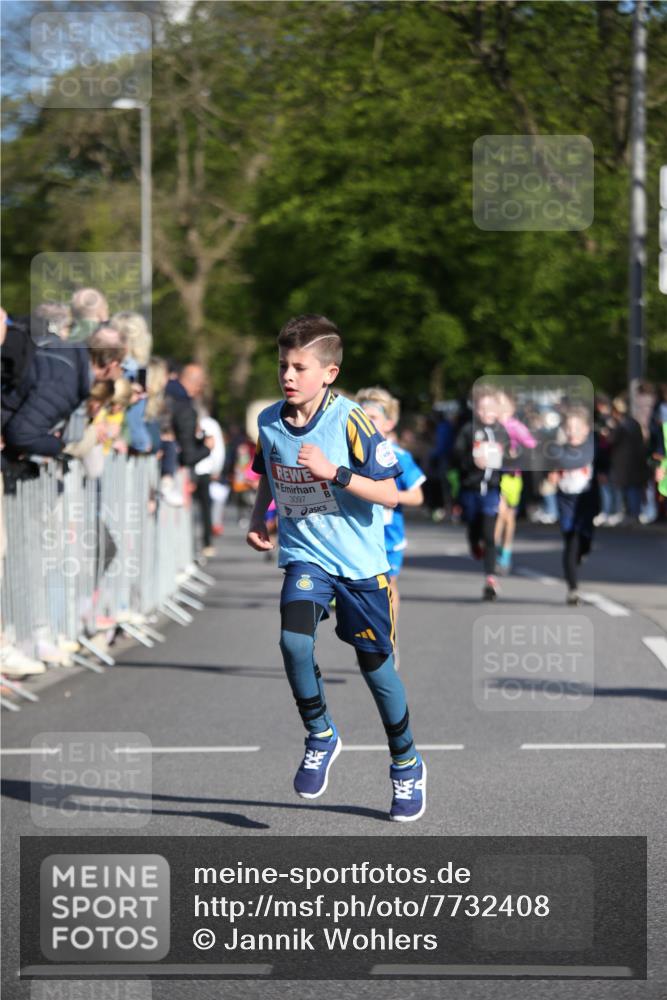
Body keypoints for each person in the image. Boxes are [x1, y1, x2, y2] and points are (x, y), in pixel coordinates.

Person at [246, 314, 426, 822]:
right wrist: (261, 516)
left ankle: (406, 763)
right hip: (306, 558)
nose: (287, 375)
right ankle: (321, 733)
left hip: (361, 567)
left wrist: (336, 472)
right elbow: (268, 470)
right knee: (293, 641)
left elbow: (392, 494)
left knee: (378, 672)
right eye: (283, 365)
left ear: (328, 373)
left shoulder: (350, 420)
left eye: (299, 367)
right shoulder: (268, 420)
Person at [355, 386, 425, 665]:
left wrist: (388, 497)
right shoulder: (349, 454)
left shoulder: (398, 456)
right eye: (361, 417)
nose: (366, 422)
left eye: (372, 417)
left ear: (388, 423)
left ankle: (389, 639)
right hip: (357, 533)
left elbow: (418, 496)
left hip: (389, 535)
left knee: (389, 584)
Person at [452, 385, 509, 600]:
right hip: (471, 488)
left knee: (490, 534)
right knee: (474, 526)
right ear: (475, 408)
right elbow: (456, 455)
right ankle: (474, 543)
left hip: (492, 489)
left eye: (490, 409)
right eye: (482, 408)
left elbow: (511, 454)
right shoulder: (468, 430)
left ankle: (490, 578)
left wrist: (510, 456)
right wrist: (472, 461)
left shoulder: (501, 431)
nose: (486, 413)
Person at [549, 406, 599, 605]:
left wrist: (604, 474)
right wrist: (550, 474)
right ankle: (573, 589)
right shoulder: (558, 451)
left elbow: (605, 462)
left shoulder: (592, 449)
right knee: (570, 540)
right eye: (568, 428)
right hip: (566, 500)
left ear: (586, 429)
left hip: (586, 500)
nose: (572, 432)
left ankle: (582, 552)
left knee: (585, 539)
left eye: (577, 428)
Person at [494, 389, 537, 574]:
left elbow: (532, 445)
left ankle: (506, 552)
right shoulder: (491, 426)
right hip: (496, 476)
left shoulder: (516, 426)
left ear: (511, 407)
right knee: (499, 514)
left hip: (513, 476)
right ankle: (494, 552)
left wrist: (516, 453)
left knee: (509, 518)